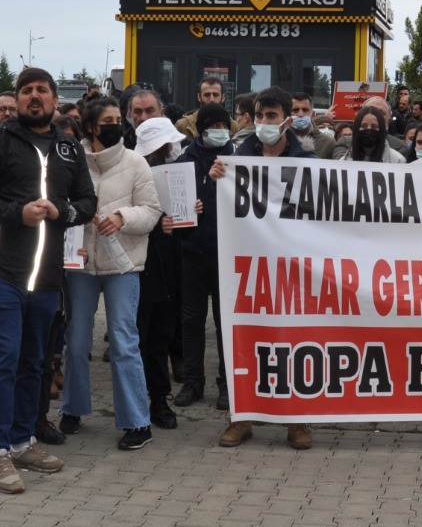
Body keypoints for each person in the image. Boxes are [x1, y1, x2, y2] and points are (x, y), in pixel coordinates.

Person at [0, 67, 95, 493]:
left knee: (34, 361)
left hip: (47, 273)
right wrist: (16, 213)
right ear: (16, 99)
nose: (34, 97)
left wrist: (63, 211)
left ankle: (22, 440)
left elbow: (88, 202)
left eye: (42, 90)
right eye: (27, 91)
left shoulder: (69, 147)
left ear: (55, 99)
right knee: (2, 358)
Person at [205, 87, 317, 449]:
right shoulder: (237, 158)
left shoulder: (308, 163)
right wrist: (217, 178)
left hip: (292, 268)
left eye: (271, 116)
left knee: (295, 340)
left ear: (286, 119)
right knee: (246, 339)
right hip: (249, 268)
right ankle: (242, 417)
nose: (264, 123)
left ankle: (297, 421)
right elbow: (218, 209)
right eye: (259, 116)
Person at [59, 97, 160, 450]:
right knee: (77, 341)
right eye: (108, 119)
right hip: (81, 266)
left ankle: (136, 422)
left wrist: (123, 218)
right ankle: (72, 408)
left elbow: (151, 212)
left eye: (119, 118)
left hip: (124, 266)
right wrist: (73, 240)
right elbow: (62, 207)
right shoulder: (71, 162)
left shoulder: (135, 163)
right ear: (89, 126)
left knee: (123, 342)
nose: (116, 124)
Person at [172, 103, 231, 410]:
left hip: (226, 253)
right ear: (202, 129)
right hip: (192, 252)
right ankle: (193, 382)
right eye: (213, 126)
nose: (220, 131)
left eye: (224, 125)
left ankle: (228, 383)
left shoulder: (238, 157)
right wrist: (206, 182)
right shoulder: (185, 161)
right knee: (192, 320)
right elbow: (178, 204)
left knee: (226, 321)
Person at [134, 117, 185, 430]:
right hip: (141, 267)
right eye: (168, 144)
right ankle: (140, 401)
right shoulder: (133, 171)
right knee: (140, 339)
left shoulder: (176, 172)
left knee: (160, 338)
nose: (173, 148)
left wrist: (189, 211)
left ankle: (159, 399)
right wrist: (156, 226)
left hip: (169, 269)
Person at [289, 92, 336, 158]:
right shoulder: (280, 141)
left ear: (313, 114)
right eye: (295, 110)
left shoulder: (328, 143)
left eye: (305, 110)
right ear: (287, 113)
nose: (300, 114)